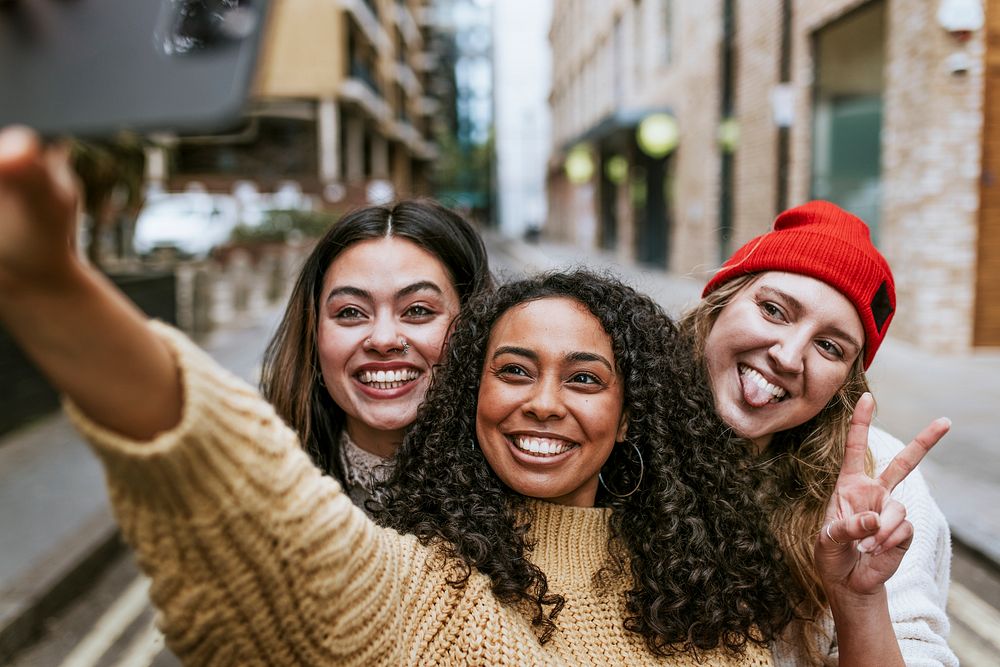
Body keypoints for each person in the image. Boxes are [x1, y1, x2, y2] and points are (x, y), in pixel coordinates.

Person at [0, 126, 799, 664]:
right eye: (515, 369)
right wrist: (51, 288)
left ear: (634, 415)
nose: (545, 401)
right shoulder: (429, 583)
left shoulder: (706, 582)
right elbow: (240, 494)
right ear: (474, 387)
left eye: (585, 377)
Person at [680, 200, 956, 665]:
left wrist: (860, 602)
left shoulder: (881, 483)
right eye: (773, 310)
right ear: (719, 304)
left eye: (828, 346)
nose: (788, 357)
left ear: (846, 381)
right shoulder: (614, 424)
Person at [260, 198, 492, 509]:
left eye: (418, 310)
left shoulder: (532, 503)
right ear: (313, 333)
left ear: (474, 325)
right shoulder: (254, 501)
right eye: (351, 312)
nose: (383, 340)